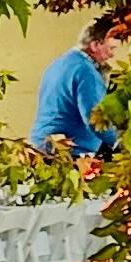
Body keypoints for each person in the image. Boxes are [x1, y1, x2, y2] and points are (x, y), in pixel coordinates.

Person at [28, 11, 122, 162]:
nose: (112, 55)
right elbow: (95, 119)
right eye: (111, 49)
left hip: (41, 145)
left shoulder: (59, 63)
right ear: (95, 45)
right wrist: (123, 142)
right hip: (68, 153)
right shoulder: (86, 71)